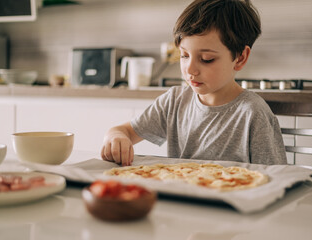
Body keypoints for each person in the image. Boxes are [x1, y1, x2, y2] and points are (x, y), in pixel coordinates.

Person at [101, 0, 287, 166]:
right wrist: (116, 137)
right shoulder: (174, 101)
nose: (190, 70)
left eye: (206, 59)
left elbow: (277, 179)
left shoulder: (253, 113)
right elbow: (122, 130)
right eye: (184, 55)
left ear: (240, 58)